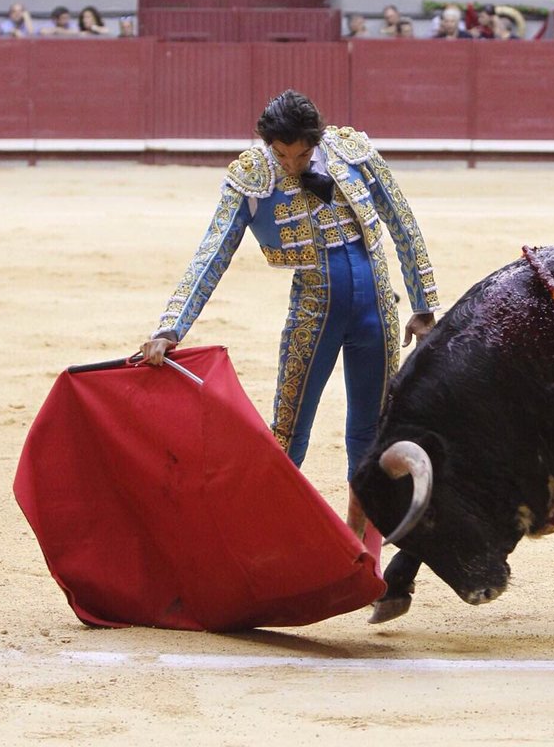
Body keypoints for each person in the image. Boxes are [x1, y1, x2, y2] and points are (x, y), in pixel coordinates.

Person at [140, 90, 440, 553]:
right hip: (313, 313)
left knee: (371, 436)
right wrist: (170, 326)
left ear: (315, 141)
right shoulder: (252, 175)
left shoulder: (352, 150)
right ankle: (260, 549)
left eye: (301, 153)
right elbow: (213, 251)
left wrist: (422, 306)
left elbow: (402, 222)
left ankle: (365, 555)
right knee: (287, 434)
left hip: (377, 309)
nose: (292, 164)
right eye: (281, 154)